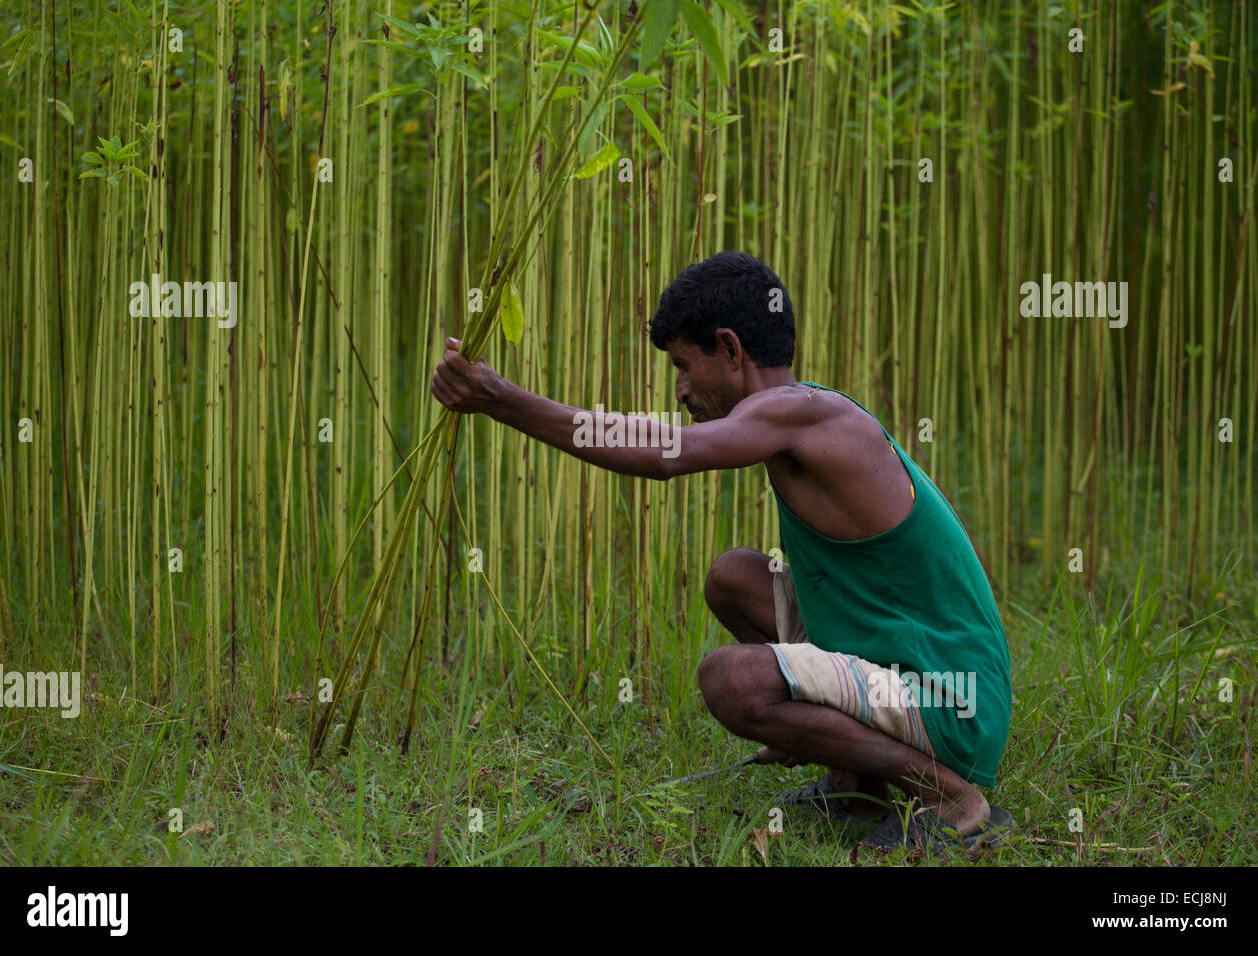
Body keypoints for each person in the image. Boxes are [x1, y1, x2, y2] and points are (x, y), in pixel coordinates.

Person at [430, 250, 1013, 853]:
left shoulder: (802, 416)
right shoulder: (806, 412)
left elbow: (665, 454)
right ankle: (856, 790)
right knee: (733, 577)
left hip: (950, 700)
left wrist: (505, 401)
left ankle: (952, 797)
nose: (681, 390)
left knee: (732, 680)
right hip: (922, 674)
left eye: (685, 365)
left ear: (731, 350)